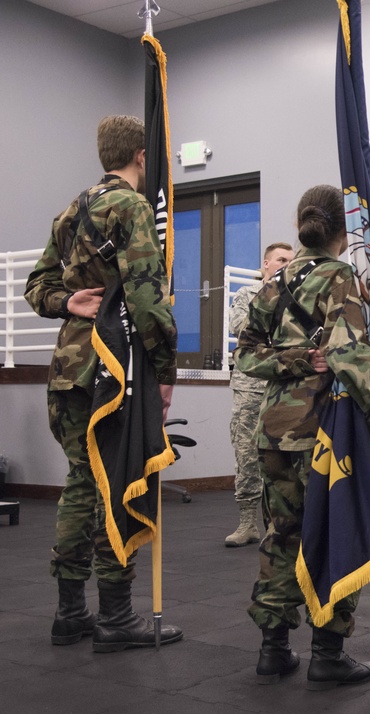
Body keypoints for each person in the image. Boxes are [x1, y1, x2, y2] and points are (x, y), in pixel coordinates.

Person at [24, 115, 182, 651]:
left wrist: (67, 301)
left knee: (78, 484)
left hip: (69, 367)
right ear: (142, 156)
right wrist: (165, 370)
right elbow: (144, 294)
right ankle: (116, 617)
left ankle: (70, 614)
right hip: (116, 368)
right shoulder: (133, 206)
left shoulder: (72, 210)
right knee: (117, 481)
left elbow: (36, 285)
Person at [235, 184, 370, 688]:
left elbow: (246, 356)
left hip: (274, 431)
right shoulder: (340, 277)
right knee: (333, 531)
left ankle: (273, 649)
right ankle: (327, 650)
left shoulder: (275, 281)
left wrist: (292, 359)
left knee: (281, 536)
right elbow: (351, 356)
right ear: (342, 232)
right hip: (326, 430)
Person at [225, 242, 294, 547]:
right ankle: (246, 522)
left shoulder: (296, 299)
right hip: (250, 387)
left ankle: (275, 523)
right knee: (246, 454)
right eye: (280, 260)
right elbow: (241, 329)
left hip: (282, 388)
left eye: (290, 261)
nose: (285, 265)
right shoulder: (247, 295)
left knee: (280, 457)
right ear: (266, 264)